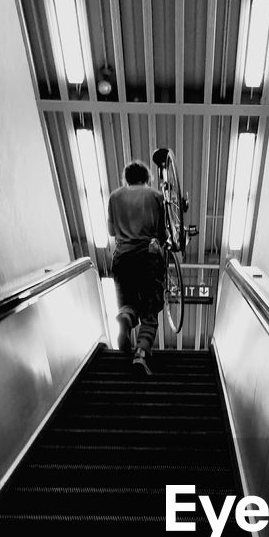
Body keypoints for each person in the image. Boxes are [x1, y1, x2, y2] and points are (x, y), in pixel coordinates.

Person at [107, 159, 167, 375]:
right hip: (148, 258)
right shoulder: (156, 196)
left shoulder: (114, 196)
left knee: (128, 302)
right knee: (149, 312)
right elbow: (162, 233)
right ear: (147, 178)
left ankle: (126, 317)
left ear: (126, 178)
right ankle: (141, 354)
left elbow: (112, 231)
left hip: (122, 258)